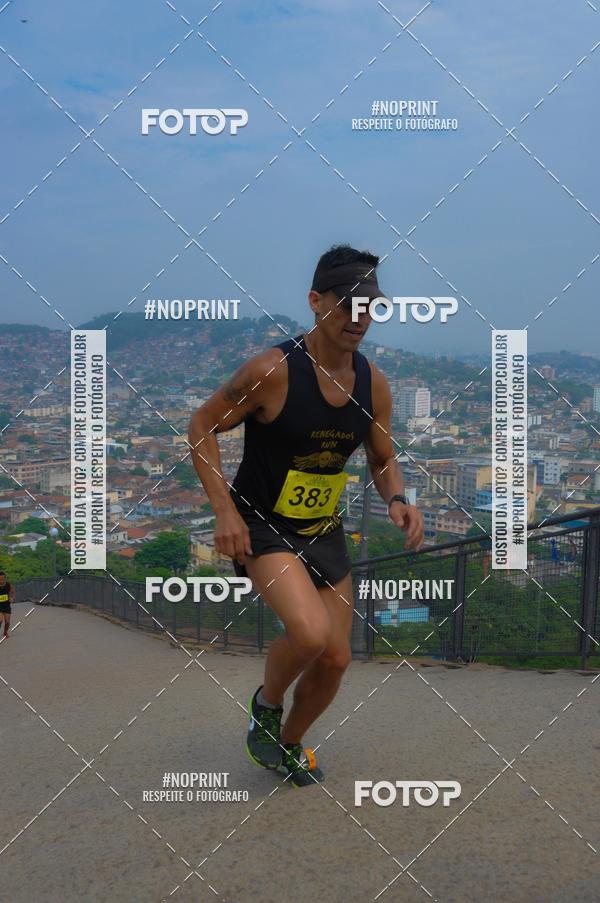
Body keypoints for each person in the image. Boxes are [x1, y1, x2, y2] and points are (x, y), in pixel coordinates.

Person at [188, 244, 424, 787]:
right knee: (312, 634)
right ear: (316, 302)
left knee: (337, 658)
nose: (359, 318)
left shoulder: (374, 384)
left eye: (370, 307)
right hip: (263, 526)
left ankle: (287, 743)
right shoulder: (273, 371)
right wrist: (223, 511)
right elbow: (201, 424)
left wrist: (397, 499)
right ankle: (267, 705)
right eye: (347, 305)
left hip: (323, 529)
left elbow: (382, 458)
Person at [0, 571, 15, 641]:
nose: (1, 581)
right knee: (0, 620)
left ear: (5, 579)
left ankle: (5, 632)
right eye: (0, 579)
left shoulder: (8, 585)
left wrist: (12, 597)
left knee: (7, 622)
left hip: (6, 606)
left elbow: (13, 591)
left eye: (2, 579)